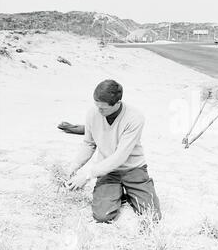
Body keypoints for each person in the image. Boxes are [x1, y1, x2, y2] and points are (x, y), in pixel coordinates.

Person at [65, 79, 162, 223]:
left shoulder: (135, 117)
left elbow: (119, 157)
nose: (98, 111)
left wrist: (87, 176)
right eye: (96, 106)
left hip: (133, 169)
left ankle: (136, 189)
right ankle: (118, 193)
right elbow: (89, 144)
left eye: (102, 108)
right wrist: (74, 166)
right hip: (108, 171)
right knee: (102, 216)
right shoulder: (93, 113)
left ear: (117, 103)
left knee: (152, 216)